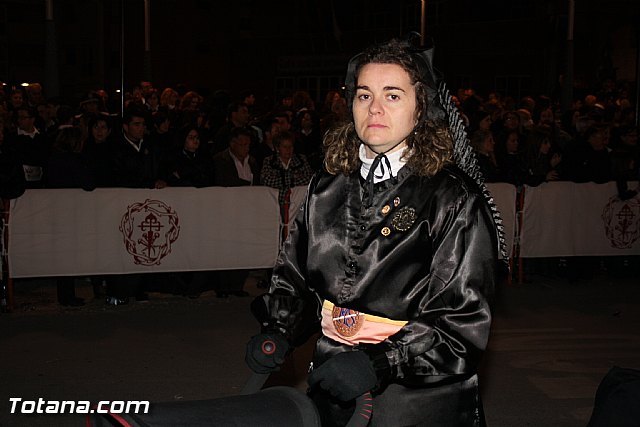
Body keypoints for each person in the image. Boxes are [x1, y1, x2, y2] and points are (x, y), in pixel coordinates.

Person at [245, 35, 505, 426]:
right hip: (332, 380)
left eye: (393, 95)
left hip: (416, 398)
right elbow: (295, 275)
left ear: (422, 108)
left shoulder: (453, 198)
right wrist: (280, 328)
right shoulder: (327, 185)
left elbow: (459, 318)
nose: (375, 108)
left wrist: (383, 361)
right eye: (364, 95)